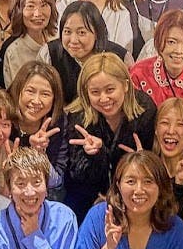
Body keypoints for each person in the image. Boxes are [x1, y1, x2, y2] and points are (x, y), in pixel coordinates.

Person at [61, 52, 158, 222]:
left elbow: (152, 163)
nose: (104, 98)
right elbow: (78, 175)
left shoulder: (144, 109)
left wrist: (142, 159)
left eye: (110, 90)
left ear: (125, 85)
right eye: (95, 92)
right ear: (86, 92)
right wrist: (95, 155)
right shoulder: (79, 116)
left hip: (133, 187)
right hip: (89, 190)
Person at [48, 1, 128, 107]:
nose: (73, 40)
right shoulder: (50, 54)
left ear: (97, 33)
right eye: (67, 32)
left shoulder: (119, 57)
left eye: (81, 32)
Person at [7, 61, 67, 196]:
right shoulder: (3, 117)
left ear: (54, 99)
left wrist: (39, 154)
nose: (36, 101)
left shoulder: (57, 123)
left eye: (45, 94)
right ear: (18, 91)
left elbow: (56, 182)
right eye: (30, 91)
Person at [0, 0, 56, 88]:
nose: (38, 13)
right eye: (30, 6)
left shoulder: (57, 40)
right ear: (19, 10)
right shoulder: (13, 51)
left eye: (44, 5)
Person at [153, 97, 183, 207]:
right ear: (156, 129)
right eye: (165, 123)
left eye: (181, 124)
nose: (171, 131)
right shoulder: (148, 170)